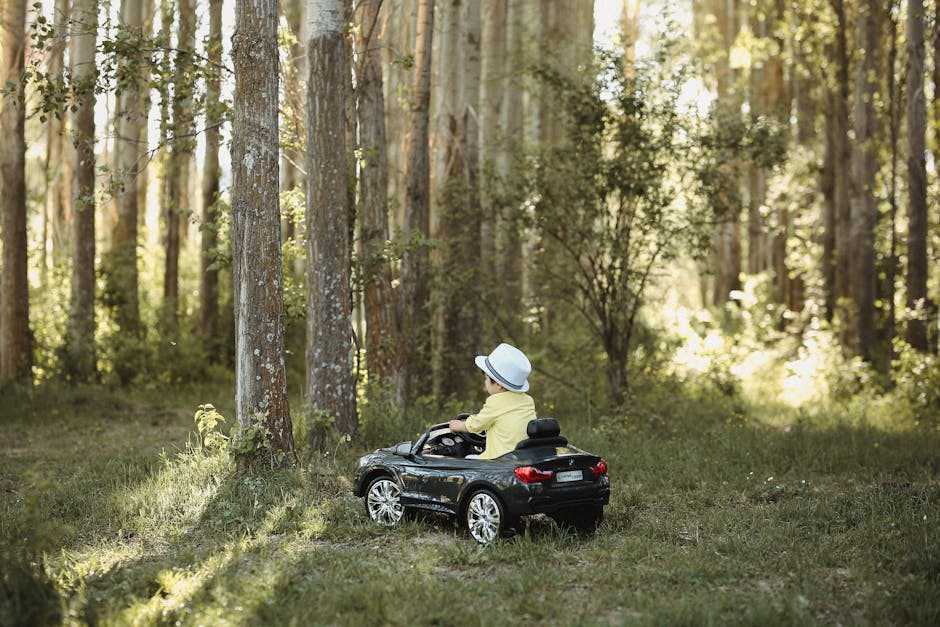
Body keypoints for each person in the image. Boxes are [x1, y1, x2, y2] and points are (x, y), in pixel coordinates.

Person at [449, 343, 536, 459]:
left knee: (468, 458)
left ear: (498, 385)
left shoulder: (495, 402)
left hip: (500, 458)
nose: (485, 382)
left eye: (486, 378)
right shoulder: (527, 400)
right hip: (522, 456)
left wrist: (460, 426)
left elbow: (477, 424)